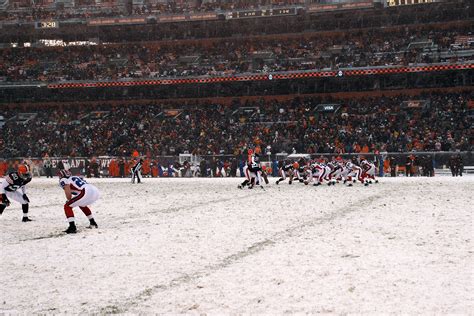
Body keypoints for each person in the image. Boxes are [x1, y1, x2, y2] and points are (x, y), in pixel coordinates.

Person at [58, 169, 99, 234]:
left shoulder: (64, 180)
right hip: (95, 191)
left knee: (67, 206)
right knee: (81, 204)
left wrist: (69, 200)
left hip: (86, 191)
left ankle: (72, 227)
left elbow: (68, 192)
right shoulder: (75, 177)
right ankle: (93, 222)